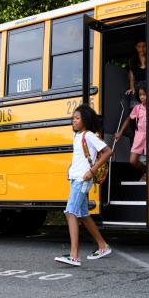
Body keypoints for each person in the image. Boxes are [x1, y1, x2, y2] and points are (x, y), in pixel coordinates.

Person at [54, 105, 113, 267]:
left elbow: (108, 151)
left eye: (77, 118)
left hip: (83, 179)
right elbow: (79, 157)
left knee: (70, 212)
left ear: (85, 120)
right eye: (73, 118)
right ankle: (102, 246)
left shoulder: (89, 135)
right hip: (76, 178)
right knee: (82, 214)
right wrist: (70, 169)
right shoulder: (77, 136)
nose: (73, 120)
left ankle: (74, 256)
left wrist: (93, 170)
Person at [114, 83, 148, 179]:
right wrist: (120, 132)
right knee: (132, 160)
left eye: (144, 94)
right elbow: (128, 119)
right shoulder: (137, 108)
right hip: (139, 136)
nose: (142, 97)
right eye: (140, 95)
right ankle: (146, 171)